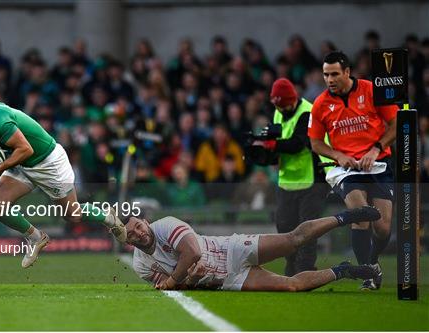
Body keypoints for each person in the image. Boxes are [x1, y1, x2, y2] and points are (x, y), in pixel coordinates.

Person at [0, 80, 125, 268]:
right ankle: (36, 238)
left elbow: (26, 149)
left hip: (48, 162)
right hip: (23, 165)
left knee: (72, 214)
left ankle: (108, 217)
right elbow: (0, 148)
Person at [120, 206, 380, 291]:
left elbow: (193, 253)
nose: (138, 234)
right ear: (128, 241)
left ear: (146, 222)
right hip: (226, 279)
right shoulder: (140, 264)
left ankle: (345, 217)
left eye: (138, 226)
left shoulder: (165, 225)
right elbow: (177, 287)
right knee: (291, 286)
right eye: (132, 234)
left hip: (231, 249)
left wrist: (177, 278)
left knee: (293, 240)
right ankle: (344, 271)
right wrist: (190, 278)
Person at [308, 51, 398, 290]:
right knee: (361, 214)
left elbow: (396, 125)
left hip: (379, 164)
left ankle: (373, 262)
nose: (330, 79)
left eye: (335, 74)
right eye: (326, 75)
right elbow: (315, 142)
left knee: (383, 227)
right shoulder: (320, 104)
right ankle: (368, 274)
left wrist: (376, 149)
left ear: (347, 72)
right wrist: (338, 155)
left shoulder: (371, 90)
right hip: (346, 169)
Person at [251, 78, 330, 276]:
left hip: (312, 179)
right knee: (285, 226)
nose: (282, 108)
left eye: (284, 104)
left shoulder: (307, 112)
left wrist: (273, 146)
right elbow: (276, 139)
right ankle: (291, 269)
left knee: (308, 229)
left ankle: (304, 271)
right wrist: (265, 150)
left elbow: (298, 144)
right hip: (287, 181)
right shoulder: (279, 112)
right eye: (278, 105)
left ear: (292, 99)